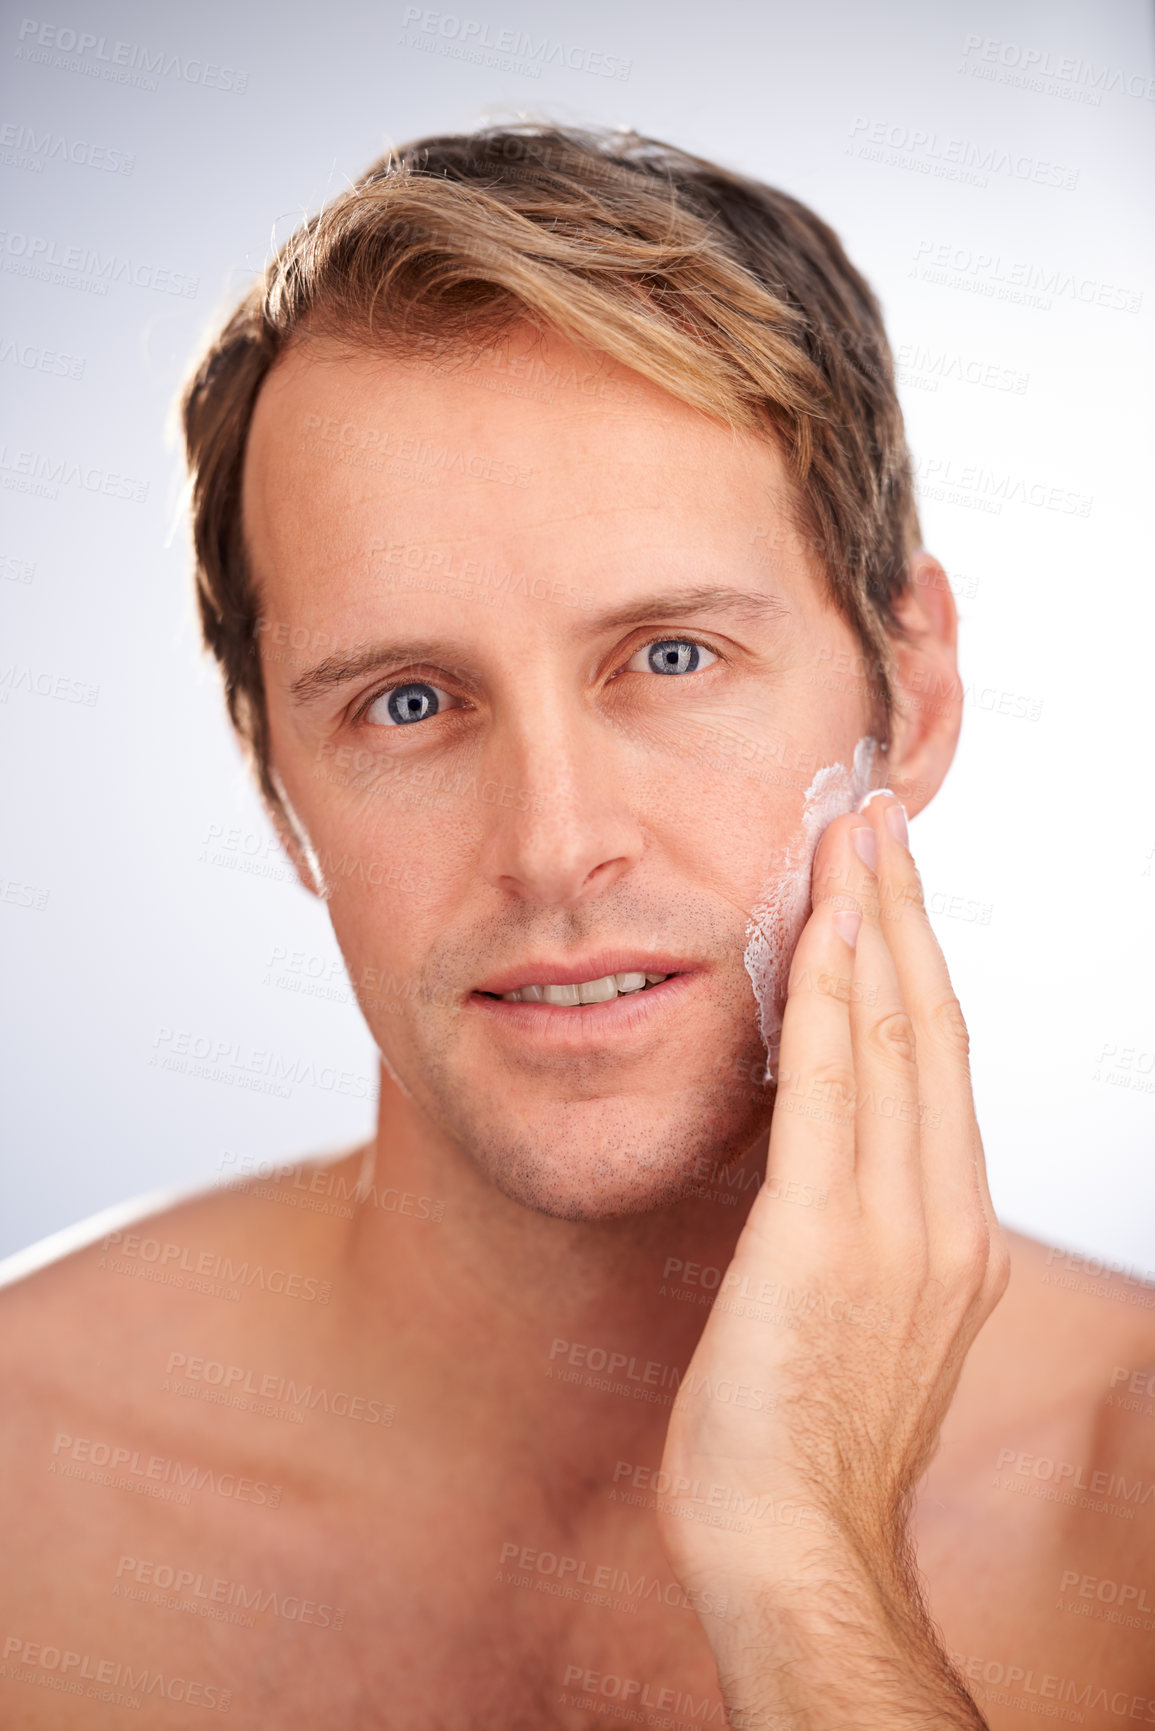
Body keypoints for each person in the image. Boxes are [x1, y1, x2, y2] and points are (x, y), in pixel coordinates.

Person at [1, 124, 1152, 1730]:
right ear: (275, 784)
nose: (554, 849)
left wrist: (803, 1565)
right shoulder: (25, 1490)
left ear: (919, 691)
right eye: (409, 702)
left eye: (671, 659)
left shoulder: (1136, 1511)